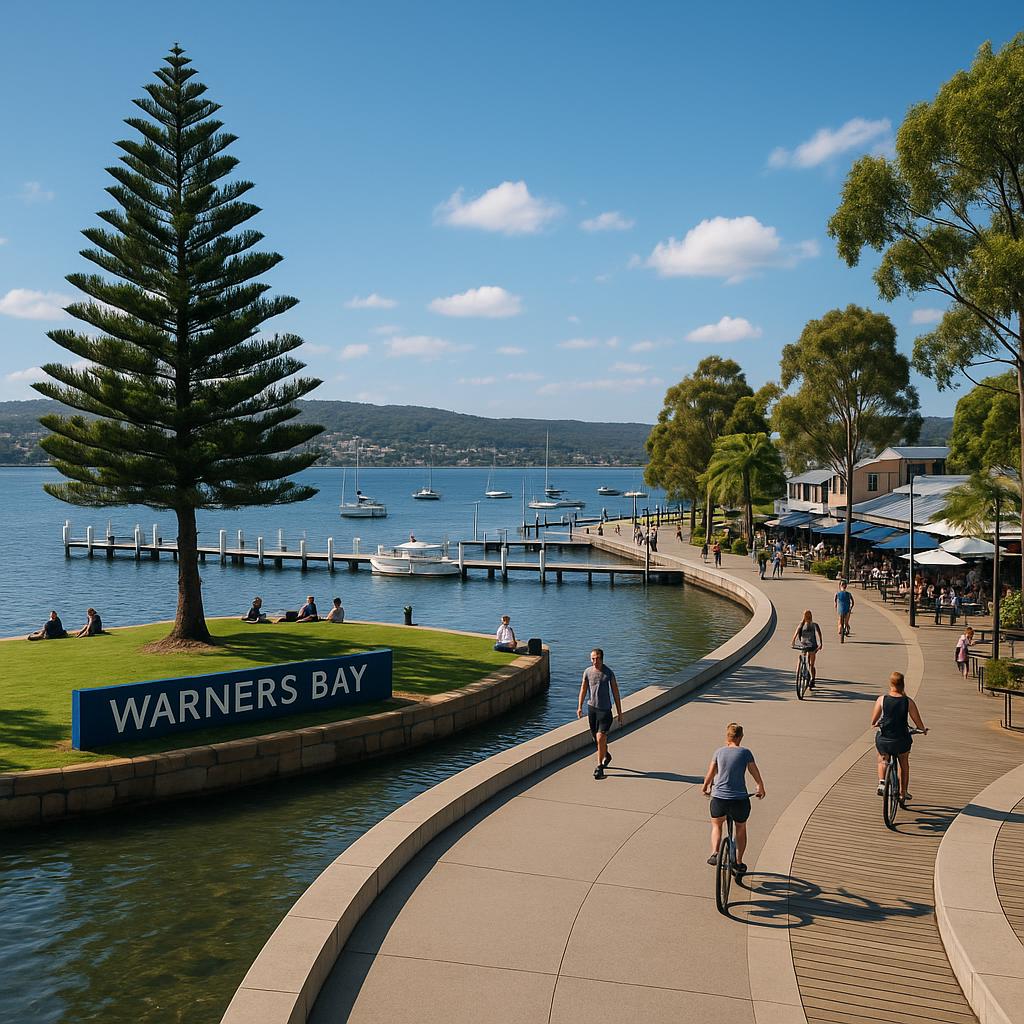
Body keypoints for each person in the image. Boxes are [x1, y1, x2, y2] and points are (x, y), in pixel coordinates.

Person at [702, 722, 766, 874]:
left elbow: (711, 772)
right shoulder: (745, 753)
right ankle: (738, 862)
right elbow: (753, 771)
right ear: (740, 737)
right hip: (739, 800)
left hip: (719, 798)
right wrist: (760, 786)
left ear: (727, 737)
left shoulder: (718, 752)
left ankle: (715, 852)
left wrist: (706, 786)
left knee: (717, 825)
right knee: (741, 827)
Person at [871, 671, 927, 802]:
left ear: (890, 684)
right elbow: (918, 723)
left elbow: (873, 721)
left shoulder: (882, 699)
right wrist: (922, 730)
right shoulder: (908, 702)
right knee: (904, 763)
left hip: (885, 739)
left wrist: (877, 723)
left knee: (882, 758)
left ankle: (882, 782)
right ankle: (903, 792)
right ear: (903, 684)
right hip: (901, 740)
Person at [577, 648, 623, 780]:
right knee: (596, 739)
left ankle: (599, 767)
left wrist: (620, 713)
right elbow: (583, 689)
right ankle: (606, 755)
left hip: (605, 711)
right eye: (592, 659)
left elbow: (615, 693)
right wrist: (579, 707)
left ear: (602, 659)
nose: (595, 661)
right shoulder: (587, 672)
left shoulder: (608, 673)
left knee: (600, 737)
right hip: (592, 709)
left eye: (597, 658)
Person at [791, 609, 823, 685]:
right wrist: (821, 643)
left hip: (804, 646)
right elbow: (819, 634)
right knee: (812, 665)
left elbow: (796, 633)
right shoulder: (815, 624)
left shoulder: (801, 624)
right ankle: (813, 679)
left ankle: (801, 671)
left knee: (803, 658)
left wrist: (793, 642)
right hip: (813, 646)